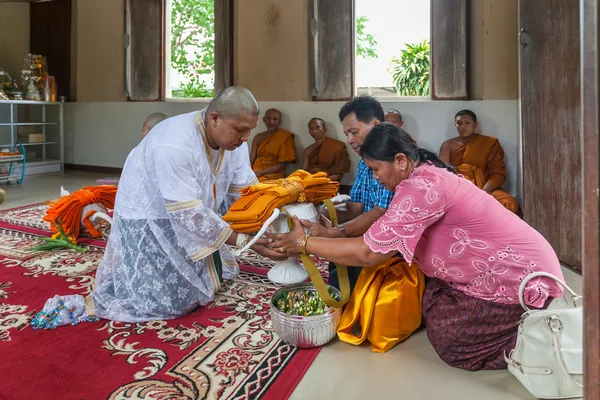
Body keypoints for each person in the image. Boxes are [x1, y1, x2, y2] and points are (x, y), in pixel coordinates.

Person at [269, 123, 564, 370]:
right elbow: (386, 223)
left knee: (453, 344)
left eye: (375, 169)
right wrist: (332, 234)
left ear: (400, 160)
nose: (375, 176)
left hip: (520, 276)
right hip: (501, 267)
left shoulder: (422, 186)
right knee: (427, 301)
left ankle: (536, 339)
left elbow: (369, 252)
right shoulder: (423, 173)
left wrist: (305, 243)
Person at [34, 86, 287, 326]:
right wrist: (243, 241)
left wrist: (267, 225)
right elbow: (188, 214)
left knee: (206, 281)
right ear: (214, 118)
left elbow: (246, 191)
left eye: (249, 131)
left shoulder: (235, 142)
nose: (245, 139)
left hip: (190, 209)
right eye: (240, 130)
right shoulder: (175, 143)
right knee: (168, 303)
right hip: (149, 215)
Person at [439, 109, 519, 214]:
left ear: (475, 125)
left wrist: (483, 192)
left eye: (467, 123)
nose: (462, 126)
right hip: (459, 189)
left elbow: (498, 173)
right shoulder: (448, 145)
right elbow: (442, 173)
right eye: (459, 123)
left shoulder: (489, 143)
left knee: (509, 202)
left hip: (484, 187)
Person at [250, 108, 296, 182]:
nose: (271, 121)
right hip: (256, 170)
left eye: (275, 119)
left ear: (279, 122)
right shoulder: (258, 137)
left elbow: (282, 165)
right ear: (264, 120)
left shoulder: (284, 137)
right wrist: (249, 172)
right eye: (268, 118)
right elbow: (251, 159)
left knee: (258, 184)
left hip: (274, 173)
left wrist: (262, 173)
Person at [302, 118, 351, 182]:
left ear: (324, 129)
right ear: (309, 132)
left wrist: (322, 181)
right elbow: (303, 171)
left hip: (329, 182)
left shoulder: (337, 146)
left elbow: (339, 173)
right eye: (311, 129)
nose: (314, 131)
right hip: (309, 182)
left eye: (317, 127)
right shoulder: (308, 150)